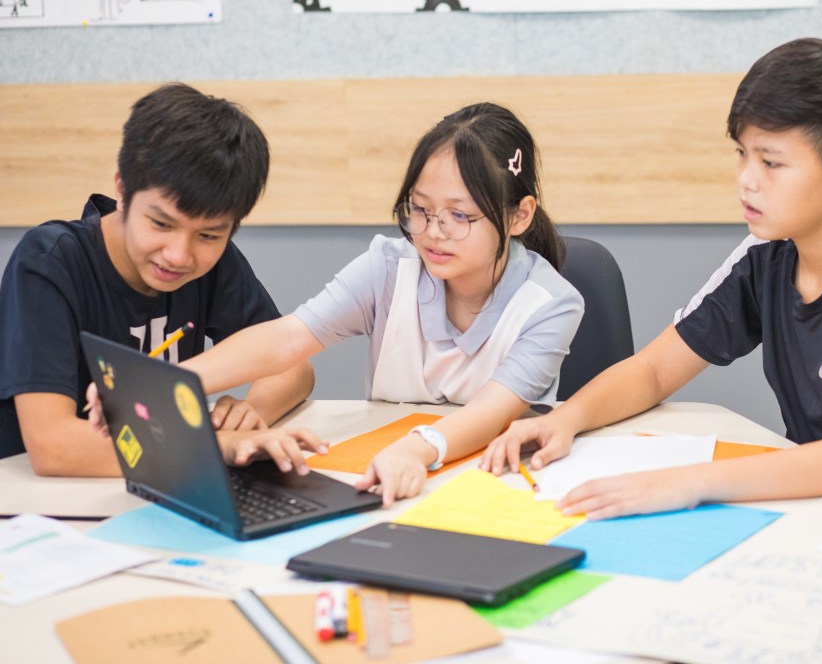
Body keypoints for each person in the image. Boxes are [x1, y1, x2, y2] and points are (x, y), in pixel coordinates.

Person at [479, 38, 822, 663]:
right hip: (821, 513)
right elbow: (655, 368)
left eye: (771, 162)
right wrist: (567, 419)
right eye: (742, 154)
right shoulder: (765, 256)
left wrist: (690, 483)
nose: (747, 179)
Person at [144, 102, 584, 506]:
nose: (433, 232)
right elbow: (289, 338)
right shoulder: (388, 269)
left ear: (519, 215)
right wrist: (162, 384)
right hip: (386, 478)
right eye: (420, 209)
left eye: (459, 216)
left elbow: (492, 411)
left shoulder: (550, 305)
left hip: (496, 486)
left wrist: (415, 449)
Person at [0, 83, 319, 475]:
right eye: (161, 224)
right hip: (46, 498)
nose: (179, 255)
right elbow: (55, 448)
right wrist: (217, 446)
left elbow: (293, 367)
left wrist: (249, 417)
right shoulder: (49, 262)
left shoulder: (213, 263)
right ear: (122, 189)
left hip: (163, 480)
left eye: (209, 235)